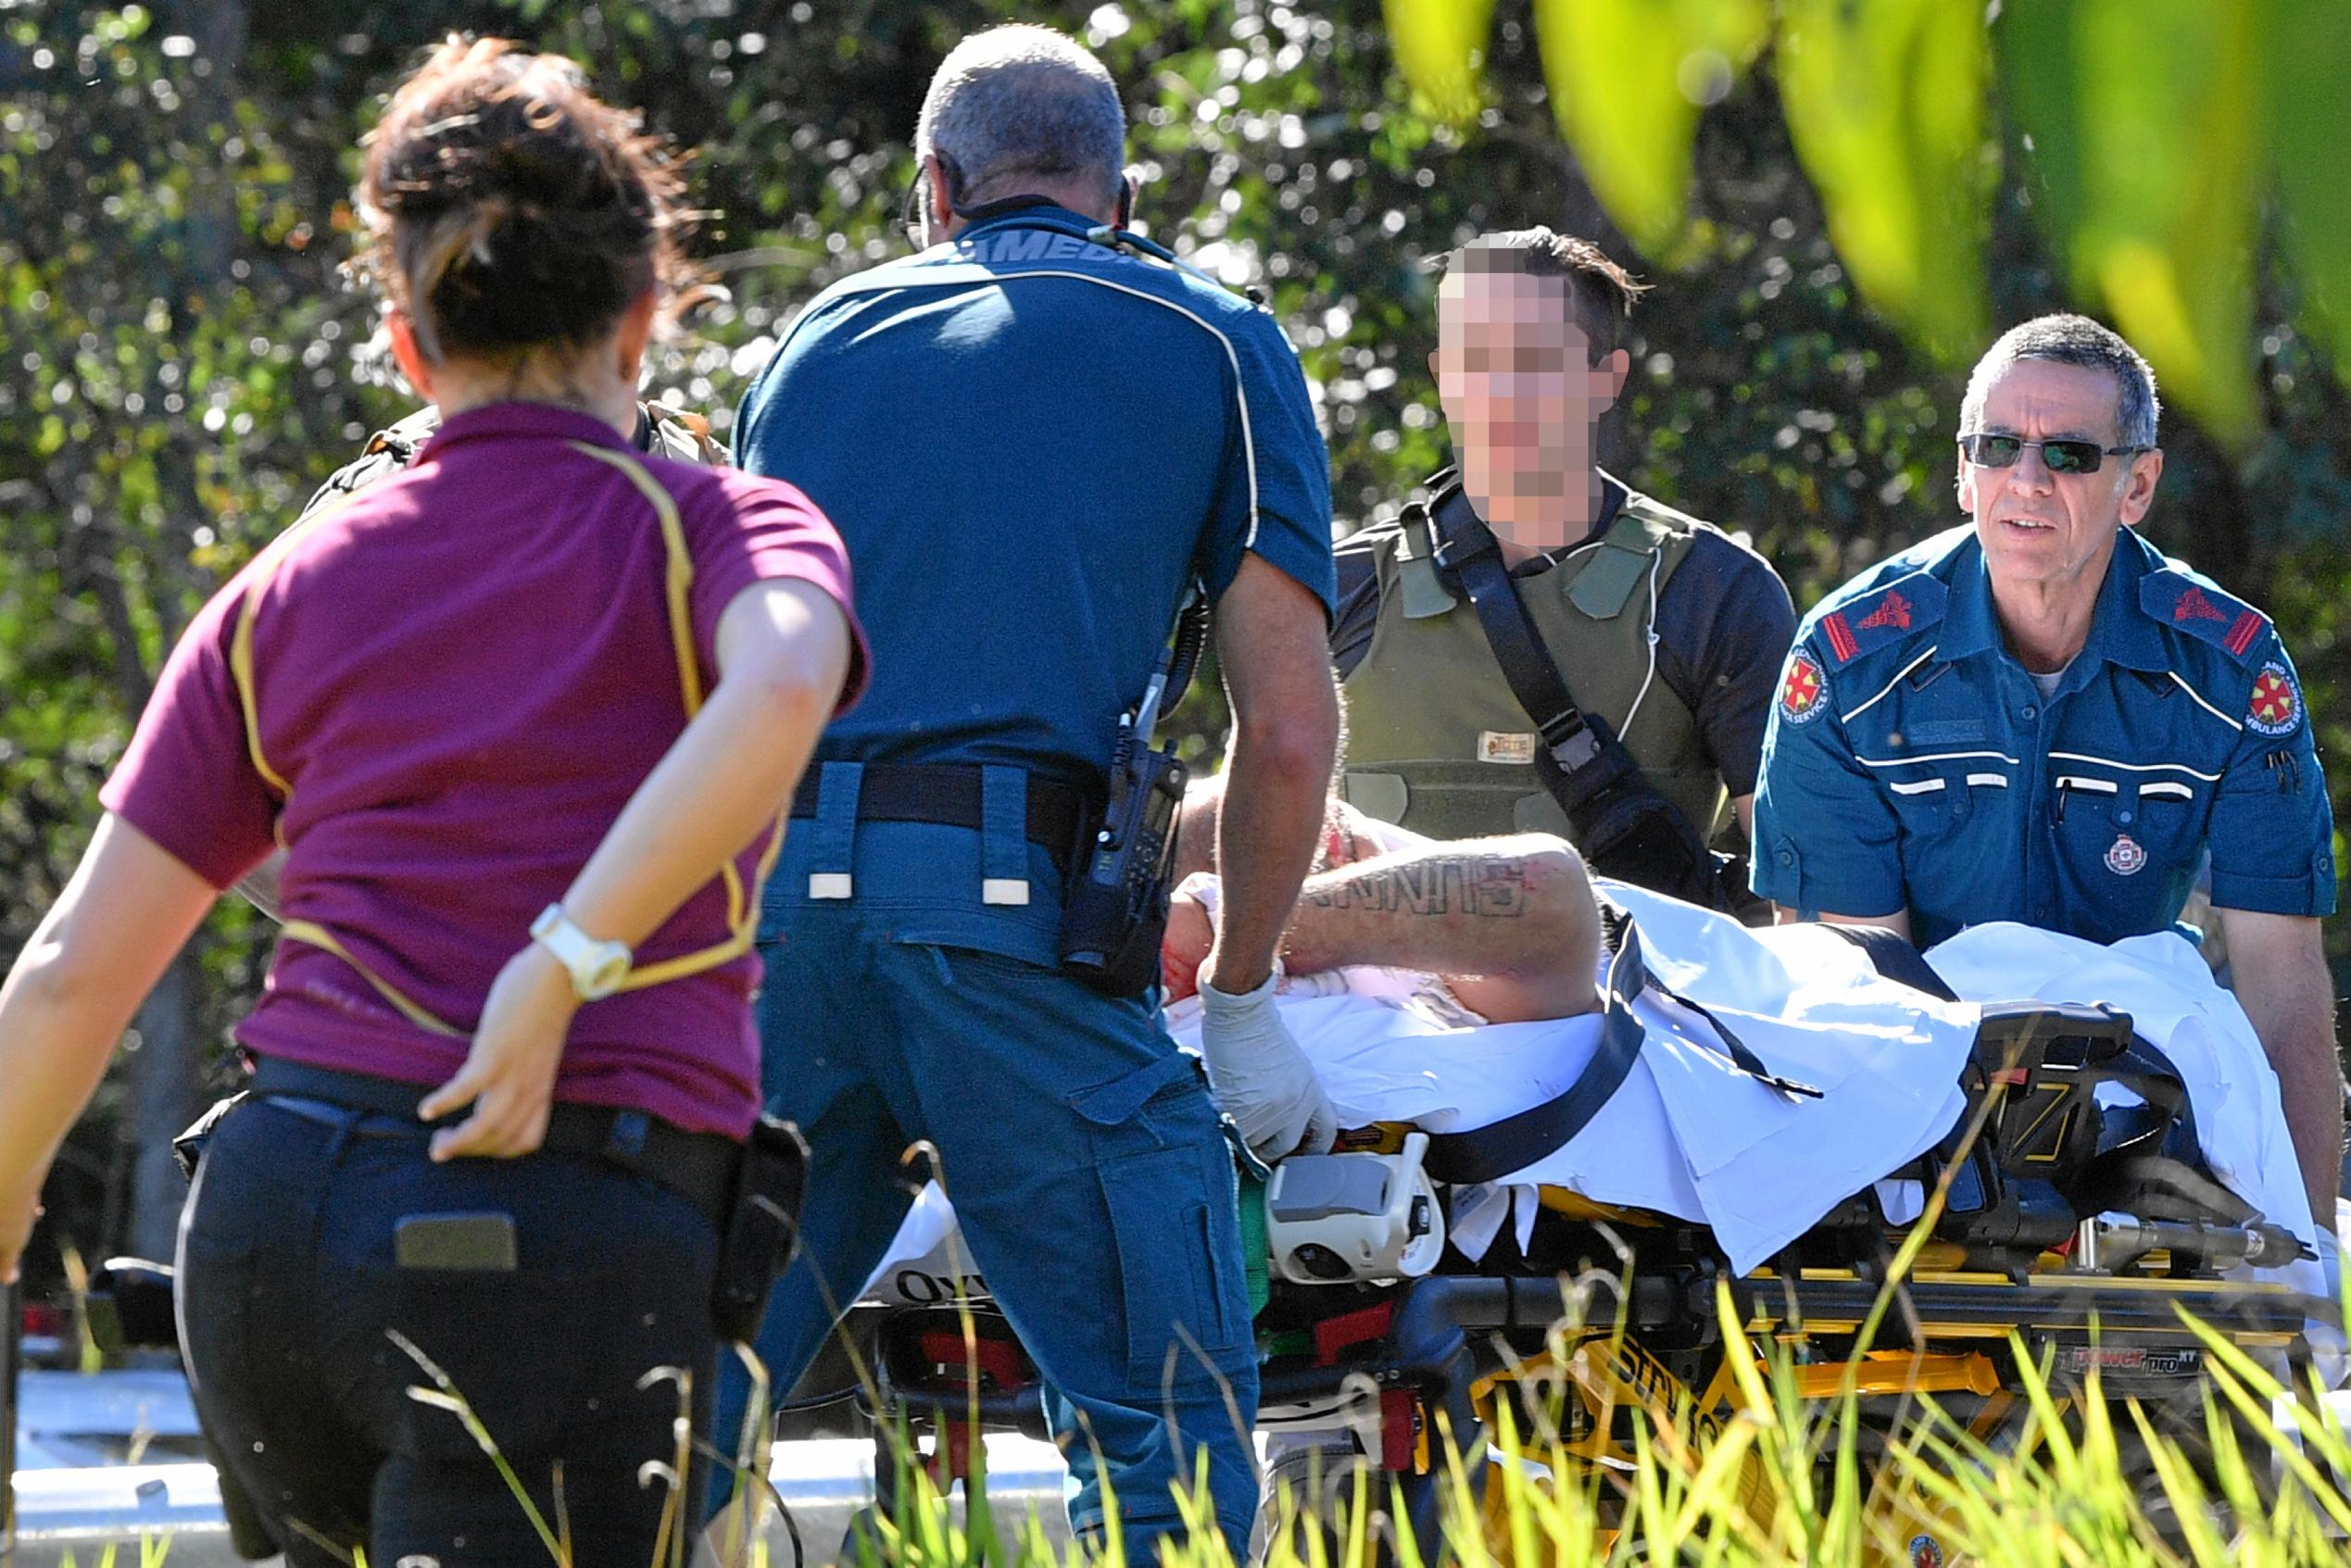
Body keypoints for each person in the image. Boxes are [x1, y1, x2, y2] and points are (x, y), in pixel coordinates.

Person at [0, 38, 863, 1566]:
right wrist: (564, 961)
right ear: (647, 316)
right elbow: (783, 690)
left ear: (403, 346)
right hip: (553, 1245)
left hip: (271, 1242)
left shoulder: (286, 587)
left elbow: (66, 979)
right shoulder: (720, 530)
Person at [723, 24, 1341, 1556]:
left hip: (777, 922)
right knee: (1164, 1429)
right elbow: (1282, 731)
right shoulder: (1212, 339)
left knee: (672, 1411)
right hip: (1011, 919)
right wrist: (1247, 987)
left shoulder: (805, 345)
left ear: (930, 190)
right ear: (1118, 192)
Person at [1752, 312, 2341, 1223]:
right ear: (1961, 469)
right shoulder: (1847, 663)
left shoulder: (2230, 671)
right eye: (1997, 446)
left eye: (2069, 453)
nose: (2025, 479)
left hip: (2148, 1087)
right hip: (1917, 1078)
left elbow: (2282, 983)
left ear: (2137, 483)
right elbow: (1853, 984)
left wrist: (2309, 1270)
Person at [1314, 229, 1795, 906]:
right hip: (1374, 1007)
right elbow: (1259, 835)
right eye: (1475, 359)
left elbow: (1791, 889)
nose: (1501, 391)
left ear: (1607, 380)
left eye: (1535, 360)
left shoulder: (1710, 593)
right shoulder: (1340, 586)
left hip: (1615, 1008)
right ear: (1442, 377)